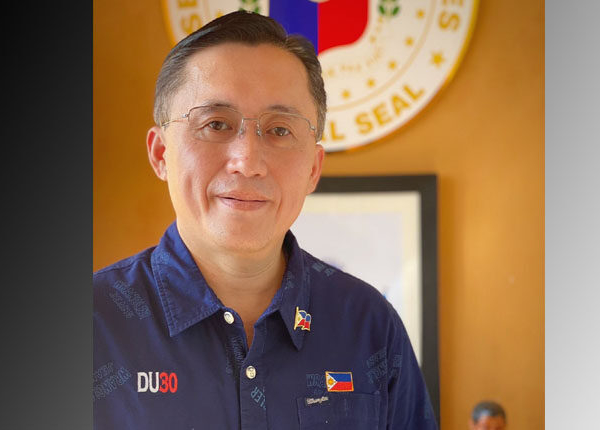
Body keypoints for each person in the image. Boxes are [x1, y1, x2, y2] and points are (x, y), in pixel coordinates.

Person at [93, 10, 437, 429]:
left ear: (314, 168)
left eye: (279, 131)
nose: (247, 161)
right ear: (161, 153)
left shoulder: (370, 326)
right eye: (216, 124)